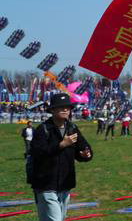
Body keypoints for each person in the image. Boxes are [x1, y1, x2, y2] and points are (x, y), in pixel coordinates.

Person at [29, 93, 93, 221]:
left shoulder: (72, 128)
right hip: (45, 184)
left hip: (65, 183)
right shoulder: (43, 129)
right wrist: (61, 145)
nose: (65, 110)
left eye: (68, 107)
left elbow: (84, 148)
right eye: (61, 107)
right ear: (52, 110)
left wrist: (86, 154)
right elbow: (38, 153)